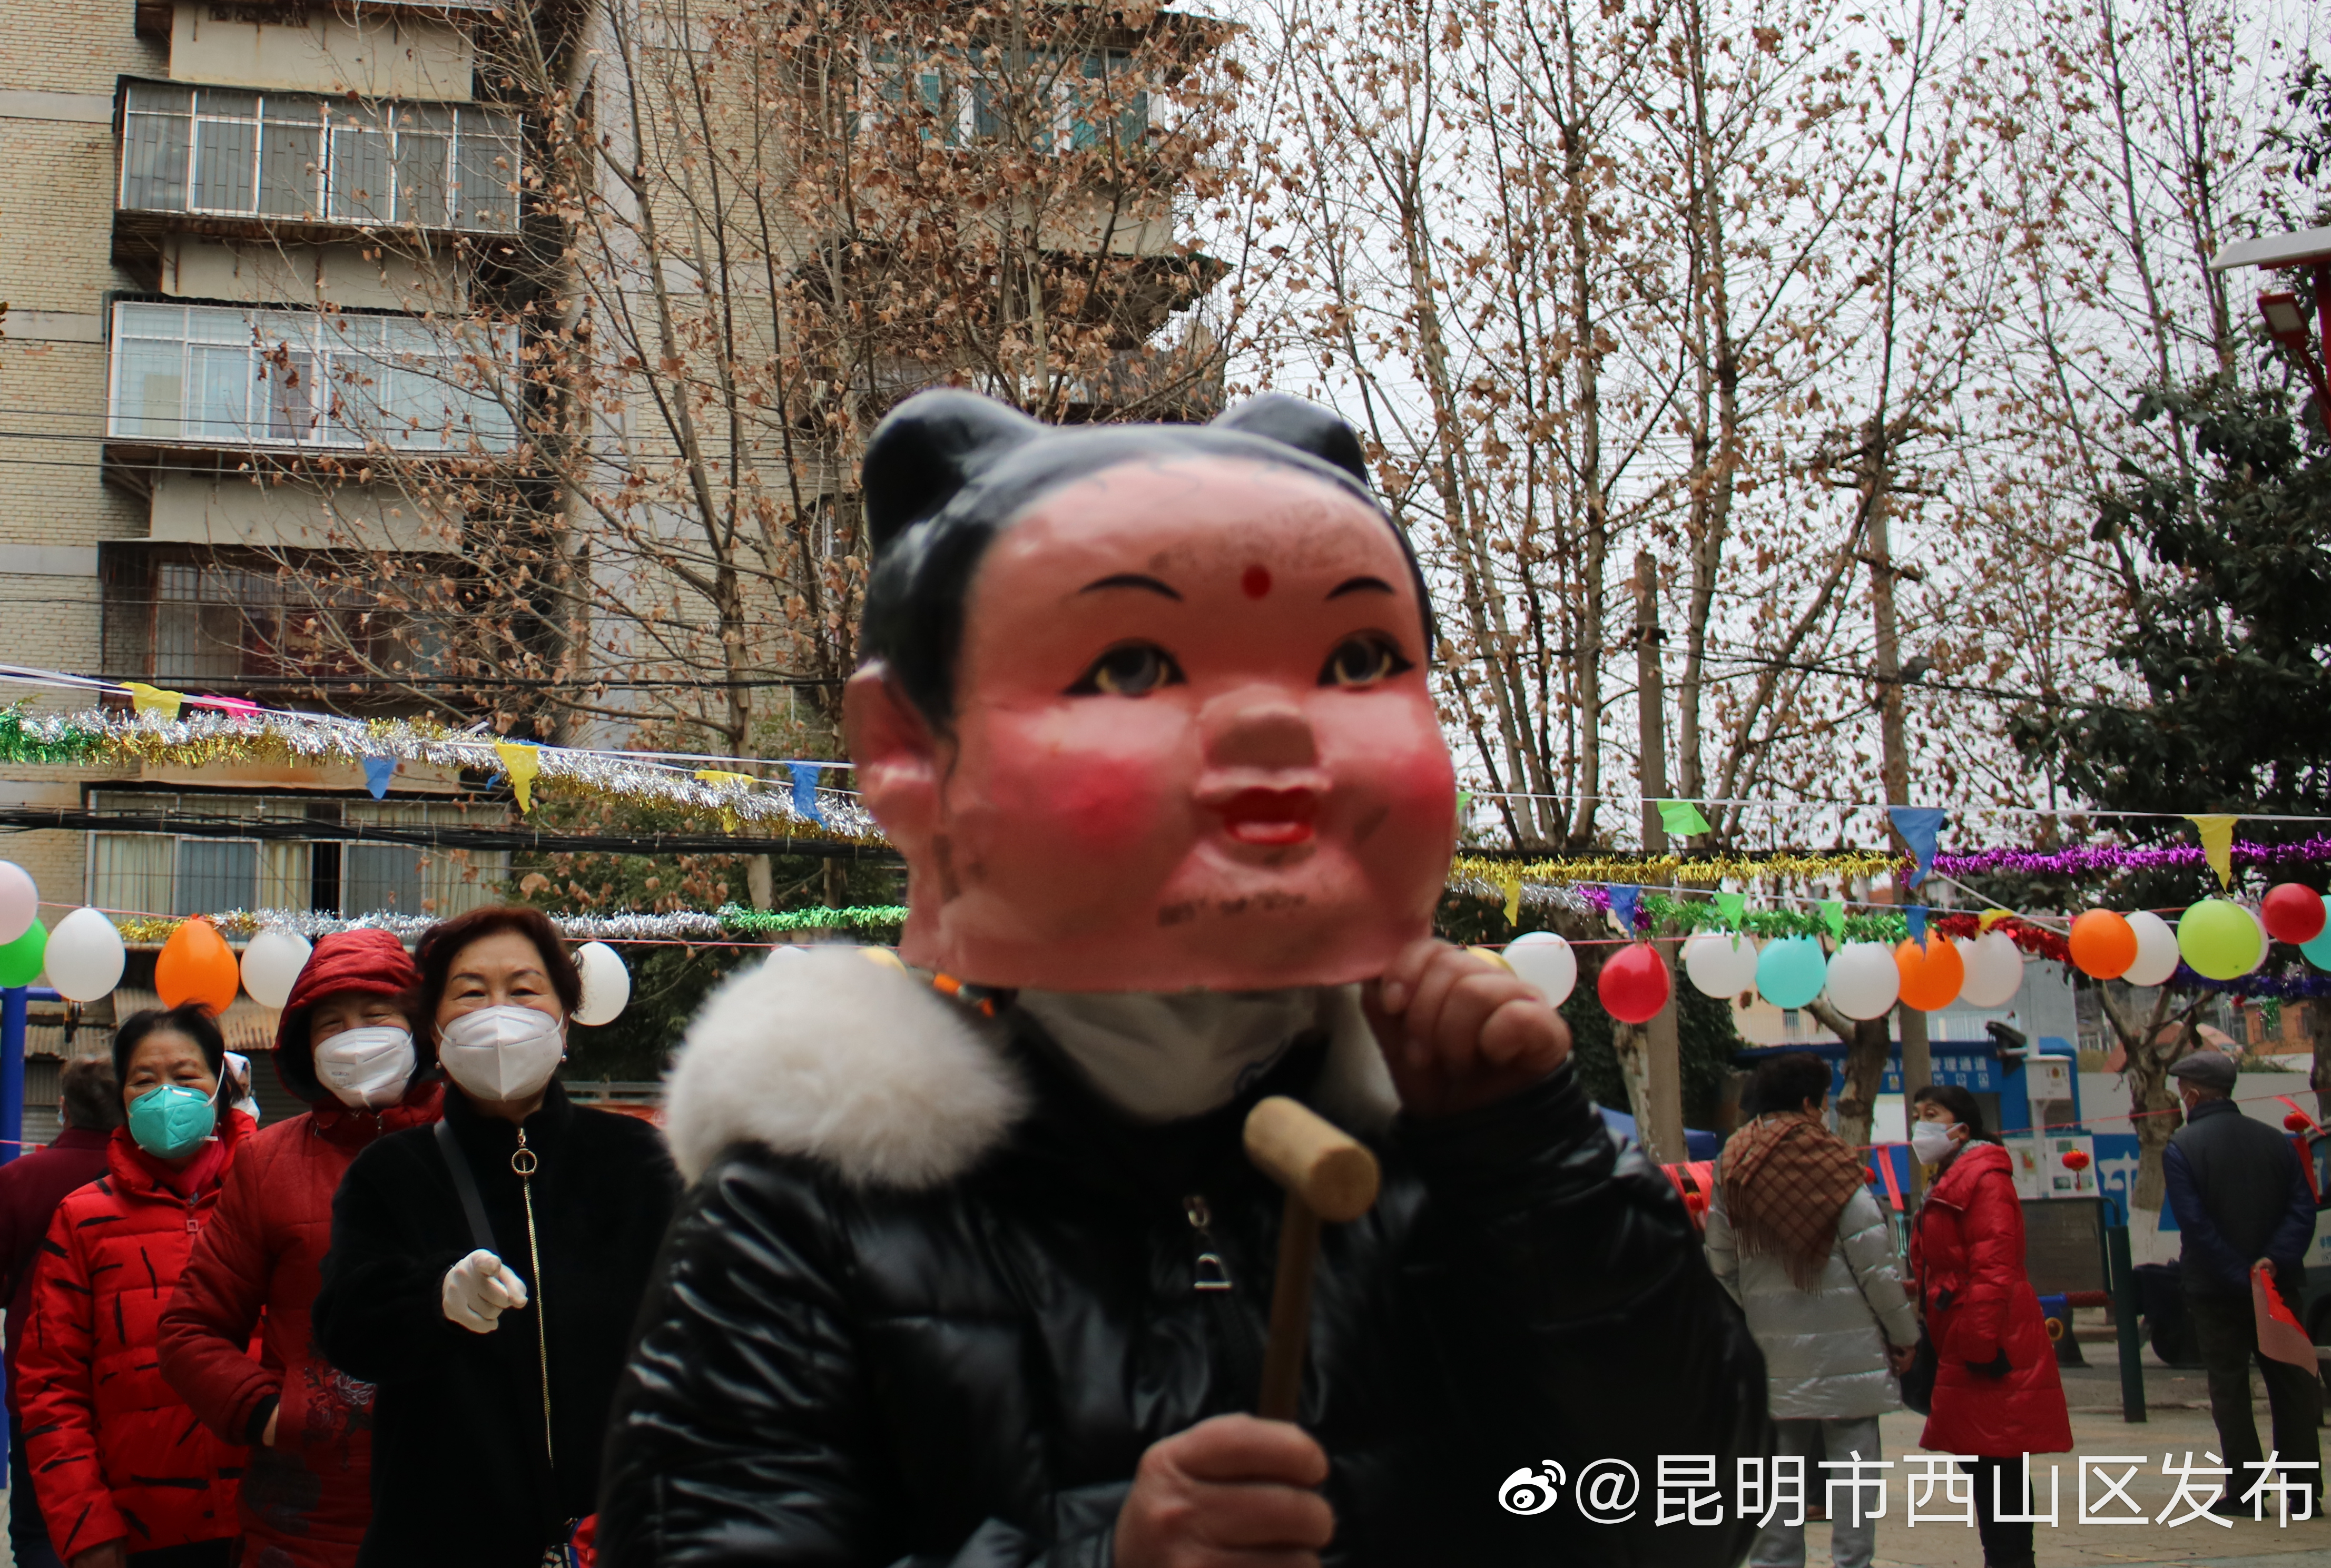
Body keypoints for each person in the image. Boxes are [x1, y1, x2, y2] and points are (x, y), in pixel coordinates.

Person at [597, 390, 1767, 1567]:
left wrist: (1534, 1164)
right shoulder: (800, 1215)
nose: (1272, 724)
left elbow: (1696, 1514)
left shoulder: (1476, 1155)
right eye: (1131, 665)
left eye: (1357, 658)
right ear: (908, 751)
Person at [312, 907, 680, 1568]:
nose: (499, 1011)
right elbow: (345, 1326)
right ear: (436, 1026)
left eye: (525, 988)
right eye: (472, 992)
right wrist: (435, 1298)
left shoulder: (641, 1161)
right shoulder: (391, 1172)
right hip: (441, 1538)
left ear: (565, 1020)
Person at [161, 927, 444, 1568]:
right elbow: (191, 1329)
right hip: (303, 1526)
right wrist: (270, 1412)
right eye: (331, 1024)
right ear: (305, 1047)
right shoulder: (267, 1161)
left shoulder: (476, 1146)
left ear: (419, 1029)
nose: (355, 1036)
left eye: (377, 1016)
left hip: (460, 1513)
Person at [12, 1005, 253, 1568]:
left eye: (187, 1075)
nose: (166, 1094)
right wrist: (86, 1528)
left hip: (275, 1521)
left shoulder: (269, 1192)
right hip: (143, 1535)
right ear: (122, 1096)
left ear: (221, 1083)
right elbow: (50, 1384)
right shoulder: (82, 1217)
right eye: (145, 1080)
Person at [1705, 1053, 1921, 1568]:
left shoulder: (1732, 1163)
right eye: (1823, 1101)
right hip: (1850, 1355)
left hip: (1771, 1355)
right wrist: (1903, 1335)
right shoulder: (1833, 1163)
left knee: (1776, 1481)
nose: (1824, 1112)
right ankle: (1852, 1562)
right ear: (1807, 1103)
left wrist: (1759, 1313)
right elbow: (1875, 1265)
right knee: (1853, 1476)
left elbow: (1719, 1260)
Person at [0, 1054, 123, 1568]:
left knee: (42, 1530)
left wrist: (16, 1292)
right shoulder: (146, 1178)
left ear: (63, 1108)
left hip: (41, 1385)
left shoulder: (21, 1177)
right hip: (133, 1386)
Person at [1907, 1084, 2069, 1566]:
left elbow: (1995, 1266)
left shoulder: (1983, 1178)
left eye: (1932, 1113)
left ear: (1962, 1126)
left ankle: (2011, 1561)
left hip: (1989, 1340)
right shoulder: (1951, 1177)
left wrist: (1975, 1344)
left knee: (1997, 1463)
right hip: (1963, 1334)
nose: (1922, 1124)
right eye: (1918, 1114)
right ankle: (2007, 1560)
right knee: (1987, 1462)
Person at [2159, 1047, 2320, 1513]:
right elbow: (2302, 1209)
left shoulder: (2182, 1148)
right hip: (2277, 1288)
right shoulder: (2276, 1142)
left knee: (2230, 1390)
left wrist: (2237, 1273)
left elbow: (2195, 1223)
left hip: (2216, 1291)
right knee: (2290, 1386)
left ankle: (2246, 1493)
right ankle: (2305, 1493)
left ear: (2190, 1094)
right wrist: (2271, 1262)